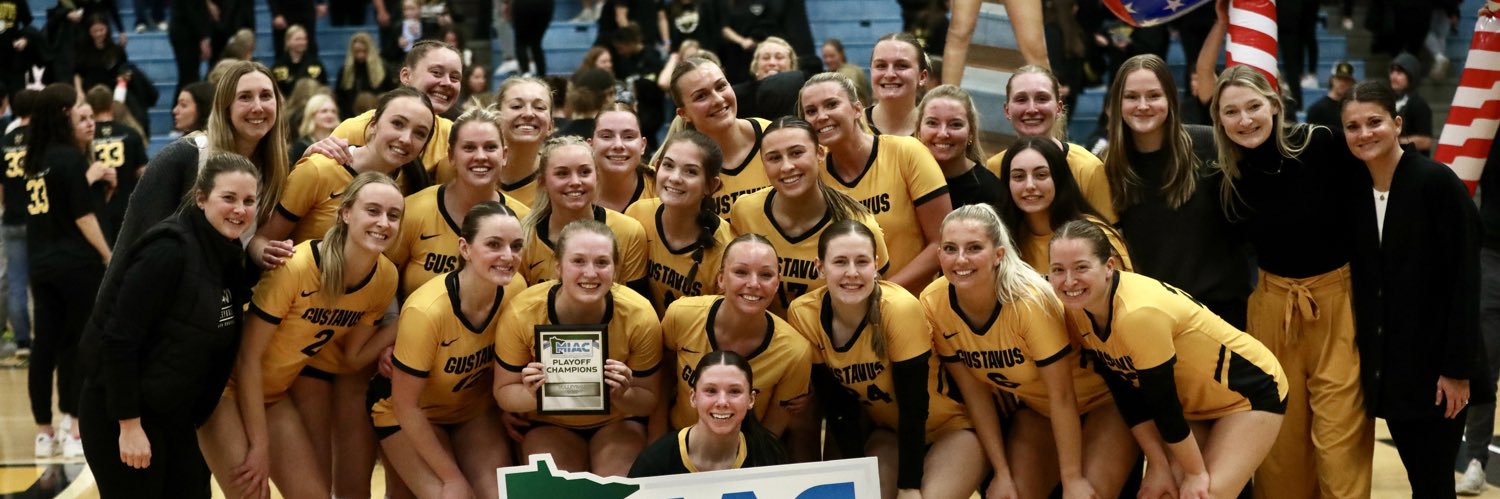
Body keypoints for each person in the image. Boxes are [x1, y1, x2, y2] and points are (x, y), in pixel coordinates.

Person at [1209, 64, 1372, 499]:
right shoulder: (1228, 179)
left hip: (1338, 301)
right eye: (1231, 112)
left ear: (1275, 105)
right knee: (1279, 449)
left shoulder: (1320, 145)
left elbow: (1370, 209)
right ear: (1219, 120)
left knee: (1340, 445)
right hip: (1270, 308)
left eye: (1253, 106)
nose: (1245, 120)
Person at [1048, 219, 1288, 499]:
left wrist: (1196, 474)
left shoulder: (1138, 315)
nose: (1069, 281)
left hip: (1248, 394)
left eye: (1081, 267)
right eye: (1058, 270)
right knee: (1158, 492)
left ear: (1109, 267)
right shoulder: (1077, 308)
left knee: (1202, 495)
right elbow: (1127, 392)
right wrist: (1159, 465)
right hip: (1193, 405)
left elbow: (1164, 406)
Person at [198, 172, 402, 499]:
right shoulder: (297, 266)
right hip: (224, 389)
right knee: (252, 493)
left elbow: (351, 358)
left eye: (393, 215)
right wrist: (260, 445)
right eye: (373, 210)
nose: (383, 222)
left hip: (272, 395)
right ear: (346, 213)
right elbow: (247, 359)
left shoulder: (385, 278)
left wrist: (401, 324)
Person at [922, 204, 1137, 499]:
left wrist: (1071, 479)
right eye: (950, 248)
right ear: (939, 255)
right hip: (1039, 411)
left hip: (1102, 400)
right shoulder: (933, 302)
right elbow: (975, 393)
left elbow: (1063, 396)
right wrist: (1002, 473)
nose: (960, 259)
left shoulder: (1027, 302)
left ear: (998, 255)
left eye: (974, 248)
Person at [77, 153, 258, 497]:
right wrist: (129, 426)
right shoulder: (167, 251)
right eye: (229, 198)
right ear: (201, 197)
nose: (240, 209)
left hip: (174, 417)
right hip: (121, 415)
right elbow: (118, 340)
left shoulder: (227, 253)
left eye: (249, 201)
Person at [1341, 80, 1486, 498]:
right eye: (1353, 127)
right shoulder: (1353, 193)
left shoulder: (1437, 183)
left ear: (1397, 123)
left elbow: (1465, 282)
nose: (1364, 133)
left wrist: (1457, 371)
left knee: (1433, 483)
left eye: (1374, 122)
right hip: (1391, 371)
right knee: (1420, 479)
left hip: (1440, 372)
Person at [788, 220, 986, 498]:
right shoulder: (804, 314)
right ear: (820, 267)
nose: (852, 273)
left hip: (951, 430)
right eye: (840, 262)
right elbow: (837, 407)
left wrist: (908, 486)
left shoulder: (899, 309)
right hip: (890, 434)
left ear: (876, 265)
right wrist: (857, 480)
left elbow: (914, 409)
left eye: (862, 262)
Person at [369, 201, 523, 498]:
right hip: (409, 414)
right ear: (465, 248)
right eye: (494, 244)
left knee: (498, 495)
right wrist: (452, 478)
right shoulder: (426, 310)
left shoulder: (516, 288)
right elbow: (405, 406)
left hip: (472, 410)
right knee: (454, 495)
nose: (508, 256)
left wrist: (506, 404)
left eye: (516, 246)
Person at [494, 219, 663, 476]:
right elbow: (504, 391)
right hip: (549, 423)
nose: (591, 273)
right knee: (558, 491)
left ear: (616, 269)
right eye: (578, 261)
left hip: (617, 421)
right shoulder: (523, 312)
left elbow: (648, 400)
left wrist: (622, 394)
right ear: (558, 266)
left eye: (602, 262)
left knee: (617, 488)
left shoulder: (639, 315)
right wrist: (532, 393)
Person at [1101, 54, 1252, 328]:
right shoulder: (1106, 165)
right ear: (1117, 103)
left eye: (1154, 95)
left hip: (1222, 314)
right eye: (1132, 97)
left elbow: (1250, 223)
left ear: (1171, 98)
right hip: (1153, 317)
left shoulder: (1211, 144)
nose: (1143, 105)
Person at [116, 61, 289, 260]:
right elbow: (131, 243)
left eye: (266, 96)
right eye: (245, 97)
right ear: (225, 107)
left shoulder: (278, 167)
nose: (258, 107)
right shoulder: (184, 155)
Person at [798, 72, 952, 294]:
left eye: (831, 104)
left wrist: (882, 294)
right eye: (811, 111)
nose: (821, 116)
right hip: (848, 308)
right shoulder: (814, 174)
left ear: (857, 109)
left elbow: (941, 242)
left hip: (913, 306)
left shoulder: (906, 152)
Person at [25, 83, 114, 459]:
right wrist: (108, 256)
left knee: (45, 346)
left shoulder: (35, 158)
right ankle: (76, 427)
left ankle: (44, 431)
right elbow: (83, 217)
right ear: (63, 114)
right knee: (79, 344)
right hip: (77, 264)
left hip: (41, 263)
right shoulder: (70, 157)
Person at [728, 116, 889, 317]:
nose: (786, 166)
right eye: (774, 158)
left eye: (796, 153)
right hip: (768, 343)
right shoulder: (745, 210)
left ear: (820, 153)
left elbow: (880, 298)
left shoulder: (858, 225)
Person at [657, 234, 813, 439]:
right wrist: (657, 442)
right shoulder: (681, 315)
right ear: (721, 279)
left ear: (777, 283)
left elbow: (770, 434)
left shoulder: (795, 351)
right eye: (741, 272)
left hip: (746, 452)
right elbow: (662, 379)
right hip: (678, 439)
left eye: (766, 275)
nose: (754, 283)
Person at [257, 88, 434, 248]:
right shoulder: (319, 169)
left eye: (419, 133)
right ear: (373, 125)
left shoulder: (411, 183)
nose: (406, 139)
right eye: (397, 123)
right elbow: (262, 240)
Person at [388, 105, 531, 298]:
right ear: (451, 155)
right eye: (469, 147)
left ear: (504, 155)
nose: (480, 156)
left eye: (490, 147)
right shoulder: (414, 210)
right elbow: (383, 282)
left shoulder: (525, 222)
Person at [311, 40, 462, 185]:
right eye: (436, 72)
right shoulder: (355, 128)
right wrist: (311, 154)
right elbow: (316, 180)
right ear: (406, 76)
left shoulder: (452, 135)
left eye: (455, 77)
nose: (447, 82)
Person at [983, 65, 1116, 222]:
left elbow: (1111, 238)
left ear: (1059, 108)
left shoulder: (1088, 167)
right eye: (1021, 99)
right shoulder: (993, 169)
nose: (1032, 109)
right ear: (1007, 111)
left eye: (1042, 99)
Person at [517, 136, 648, 291]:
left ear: (597, 177)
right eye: (562, 174)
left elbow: (633, 305)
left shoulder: (629, 232)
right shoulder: (523, 238)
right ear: (542, 182)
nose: (575, 182)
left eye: (584, 172)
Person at [624, 129, 733, 315]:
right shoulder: (637, 213)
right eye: (668, 166)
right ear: (657, 168)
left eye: (690, 171)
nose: (674, 178)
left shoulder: (728, 249)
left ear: (711, 186)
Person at [629, 351, 789, 476]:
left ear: (751, 399)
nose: (722, 402)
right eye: (711, 391)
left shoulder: (770, 457)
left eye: (734, 391)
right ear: (693, 397)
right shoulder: (655, 463)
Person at [997, 136, 1131, 274]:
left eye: (1041, 175)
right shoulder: (1002, 239)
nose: (1030, 185)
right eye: (1019, 177)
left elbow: (1123, 292)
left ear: (1059, 178)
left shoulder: (1097, 236)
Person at [658, 57, 770, 219]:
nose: (718, 99)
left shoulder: (773, 136)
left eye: (721, 86)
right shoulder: (676, 169)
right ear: (684, 114)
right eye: (701, 96)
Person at [916, 84, 1003, 210]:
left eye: (955, 124)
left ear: (971, 133)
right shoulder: (903, 178)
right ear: (918, 130)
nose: (943, 133)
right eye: (932, 123)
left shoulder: (990, 191)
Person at [84, 85, 148, 247]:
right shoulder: (131, 133)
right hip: (125, 204)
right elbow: (143, 172)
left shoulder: (85, 134)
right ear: (111, 105)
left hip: (94, 204)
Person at [0, 90, 35, 355]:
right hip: (38, 217)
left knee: (15, 281)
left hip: (11, 217)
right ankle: (46, 336)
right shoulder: (42, 139)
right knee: (43, 279)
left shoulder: (6, 140)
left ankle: (21, 341)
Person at [496, 76, 554, 206]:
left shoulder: (558, 182)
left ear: (551, 125)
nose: (528, 114)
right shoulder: (464, 169)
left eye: (539, 107)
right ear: (497, 118)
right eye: (516, 106)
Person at [592, 103, 655, 212]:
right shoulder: (575, 187)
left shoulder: (662, 186)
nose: (618, 145)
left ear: (642, 145)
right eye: (606, 136)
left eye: (628, 137)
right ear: (591, 145)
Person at [865, 32, 929, 137]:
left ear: (922, 77)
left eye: (902, 66)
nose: (889, 74)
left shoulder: (935, 133)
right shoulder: (852, 126)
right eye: (881, 66)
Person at [335, 32, 399, 120]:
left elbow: (392, 92)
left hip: (378, 115)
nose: (360, 55)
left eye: (364, 51)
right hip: (351, 117)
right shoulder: (345, 71)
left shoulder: (383, 68)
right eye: (357, 52)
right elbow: (340, 97)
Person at [1389, 52, 1434, 156]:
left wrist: (1393, 142)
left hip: (1414, 164)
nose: (1394, 76)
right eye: (1392, 71)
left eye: (1399, 72)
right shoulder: (1390, 101)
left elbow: (1426, 141)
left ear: (1411, 75)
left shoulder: (1419, 104)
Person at [271, 25, 329, 97]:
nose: (302, 42)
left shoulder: (316, 64)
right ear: (288, 41)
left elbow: (324, 88)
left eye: (304, 39)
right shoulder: (278, 66)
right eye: (298, 39)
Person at [1305, 61, 1356, 131]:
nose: (1343, 83)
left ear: (1352, 82)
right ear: (1332, 79)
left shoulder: (1354, 108)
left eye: (1346, 80)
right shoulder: (1317, 110)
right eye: (1339, 78)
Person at [819, 38, 870, 106]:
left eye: (832, 56)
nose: (828, 60)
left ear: (841, 54)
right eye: (825, 57)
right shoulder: (829, 74)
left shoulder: (850, 72)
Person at [292, 94, 341, 164]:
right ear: (312, 115)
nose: (330, 115)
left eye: (333, 111)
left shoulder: (341, 141)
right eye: (324, 111)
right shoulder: (301, 146)